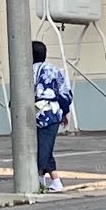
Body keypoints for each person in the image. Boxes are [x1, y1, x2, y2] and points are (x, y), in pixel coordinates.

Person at [33, 41, 73, 192]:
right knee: (45, 147)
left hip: (34, 115)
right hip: (53, 113)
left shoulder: (24, 71)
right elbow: (65, 94)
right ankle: (46, 180)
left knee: (41, 149)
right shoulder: (54, 70)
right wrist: (65, 111)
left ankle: (47, 180)